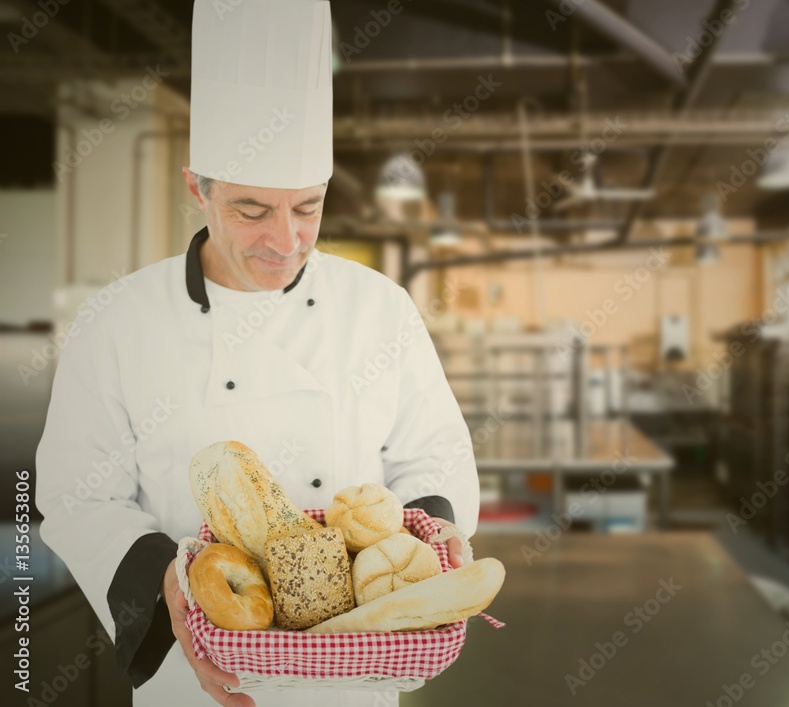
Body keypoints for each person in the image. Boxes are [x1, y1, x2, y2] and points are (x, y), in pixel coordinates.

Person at [34, 2, 479, 706]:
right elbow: (76, 491)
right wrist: (166, 586)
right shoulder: (119, 321)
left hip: (355, 676)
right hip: (199, 678)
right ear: (197, 189)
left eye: (307, 207)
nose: (285, 241)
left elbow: (432, 454)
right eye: (250, 210)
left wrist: (439, 528)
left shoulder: (379, 308)